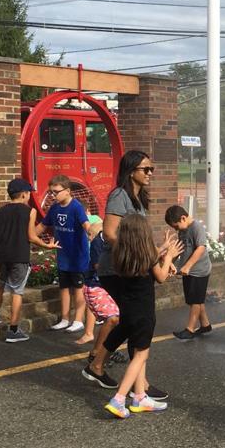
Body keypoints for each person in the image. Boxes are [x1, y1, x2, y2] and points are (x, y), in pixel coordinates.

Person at [84, 150, 163, 396]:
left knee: (132, 320)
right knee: (136, 320)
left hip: (132, 266)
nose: (150, 173)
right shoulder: (119, 195)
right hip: (118, 268)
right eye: (145, 169)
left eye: (151, 169)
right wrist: (140, 255)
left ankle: (113, 373)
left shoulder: (138, 198)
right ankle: (136, 386)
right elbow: (109, 233)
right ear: (131, 171)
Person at [102, 215, 182, 419]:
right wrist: (170, 257)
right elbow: (162, 277)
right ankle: (119, 399)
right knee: (140, 356)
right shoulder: (149, 257)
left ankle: (140, 397)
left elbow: (149, 258)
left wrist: (163, 248)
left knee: (138, 352)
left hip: (127, 311)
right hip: (144, 313)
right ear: (144, 235)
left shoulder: (121, 255)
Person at [0, 178, 57, 343]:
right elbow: (31, 236)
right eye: (28, 193)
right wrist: (46, 245)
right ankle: (13, 329)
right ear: (24, 194)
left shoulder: (0, 211)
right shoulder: (30, 211)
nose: (29, 195)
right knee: (17, 291)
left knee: (1, 282)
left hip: (2, 255)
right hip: (19, 256)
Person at [42, 175, 90, 335]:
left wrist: (93, 232)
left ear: (68, 191)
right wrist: (26, 236)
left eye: (56, 192)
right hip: (63, 256)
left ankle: (78, 320)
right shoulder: (54, 208)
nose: (53, 195)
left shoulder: (76, 207)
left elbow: (86, 225)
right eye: (51, 192)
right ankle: (64, 319)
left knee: (78, 289)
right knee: (63, 288)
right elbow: (42, 226)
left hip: (78, 257)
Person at [165, 204, 212, 341]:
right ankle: (205, 324)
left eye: (176, 226)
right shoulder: (183, 230)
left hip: (199, 270)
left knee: (195, 300)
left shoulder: (196, 227)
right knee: (195, 299)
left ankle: (190, 329)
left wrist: (188, 266)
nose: (175, 229)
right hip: (189, 271)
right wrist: (170, 262)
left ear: (183, 218)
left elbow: (201, 248)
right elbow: (179, 249)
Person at [76, 216, 118, 348]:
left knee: (115, 318)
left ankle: (105, 347)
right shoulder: (96, 243)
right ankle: (98, 350)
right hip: (96, 286)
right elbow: (97, 265)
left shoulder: (108, 241)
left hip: (104, 285)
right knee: (112, 318)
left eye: (89, 234)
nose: (88, 238)